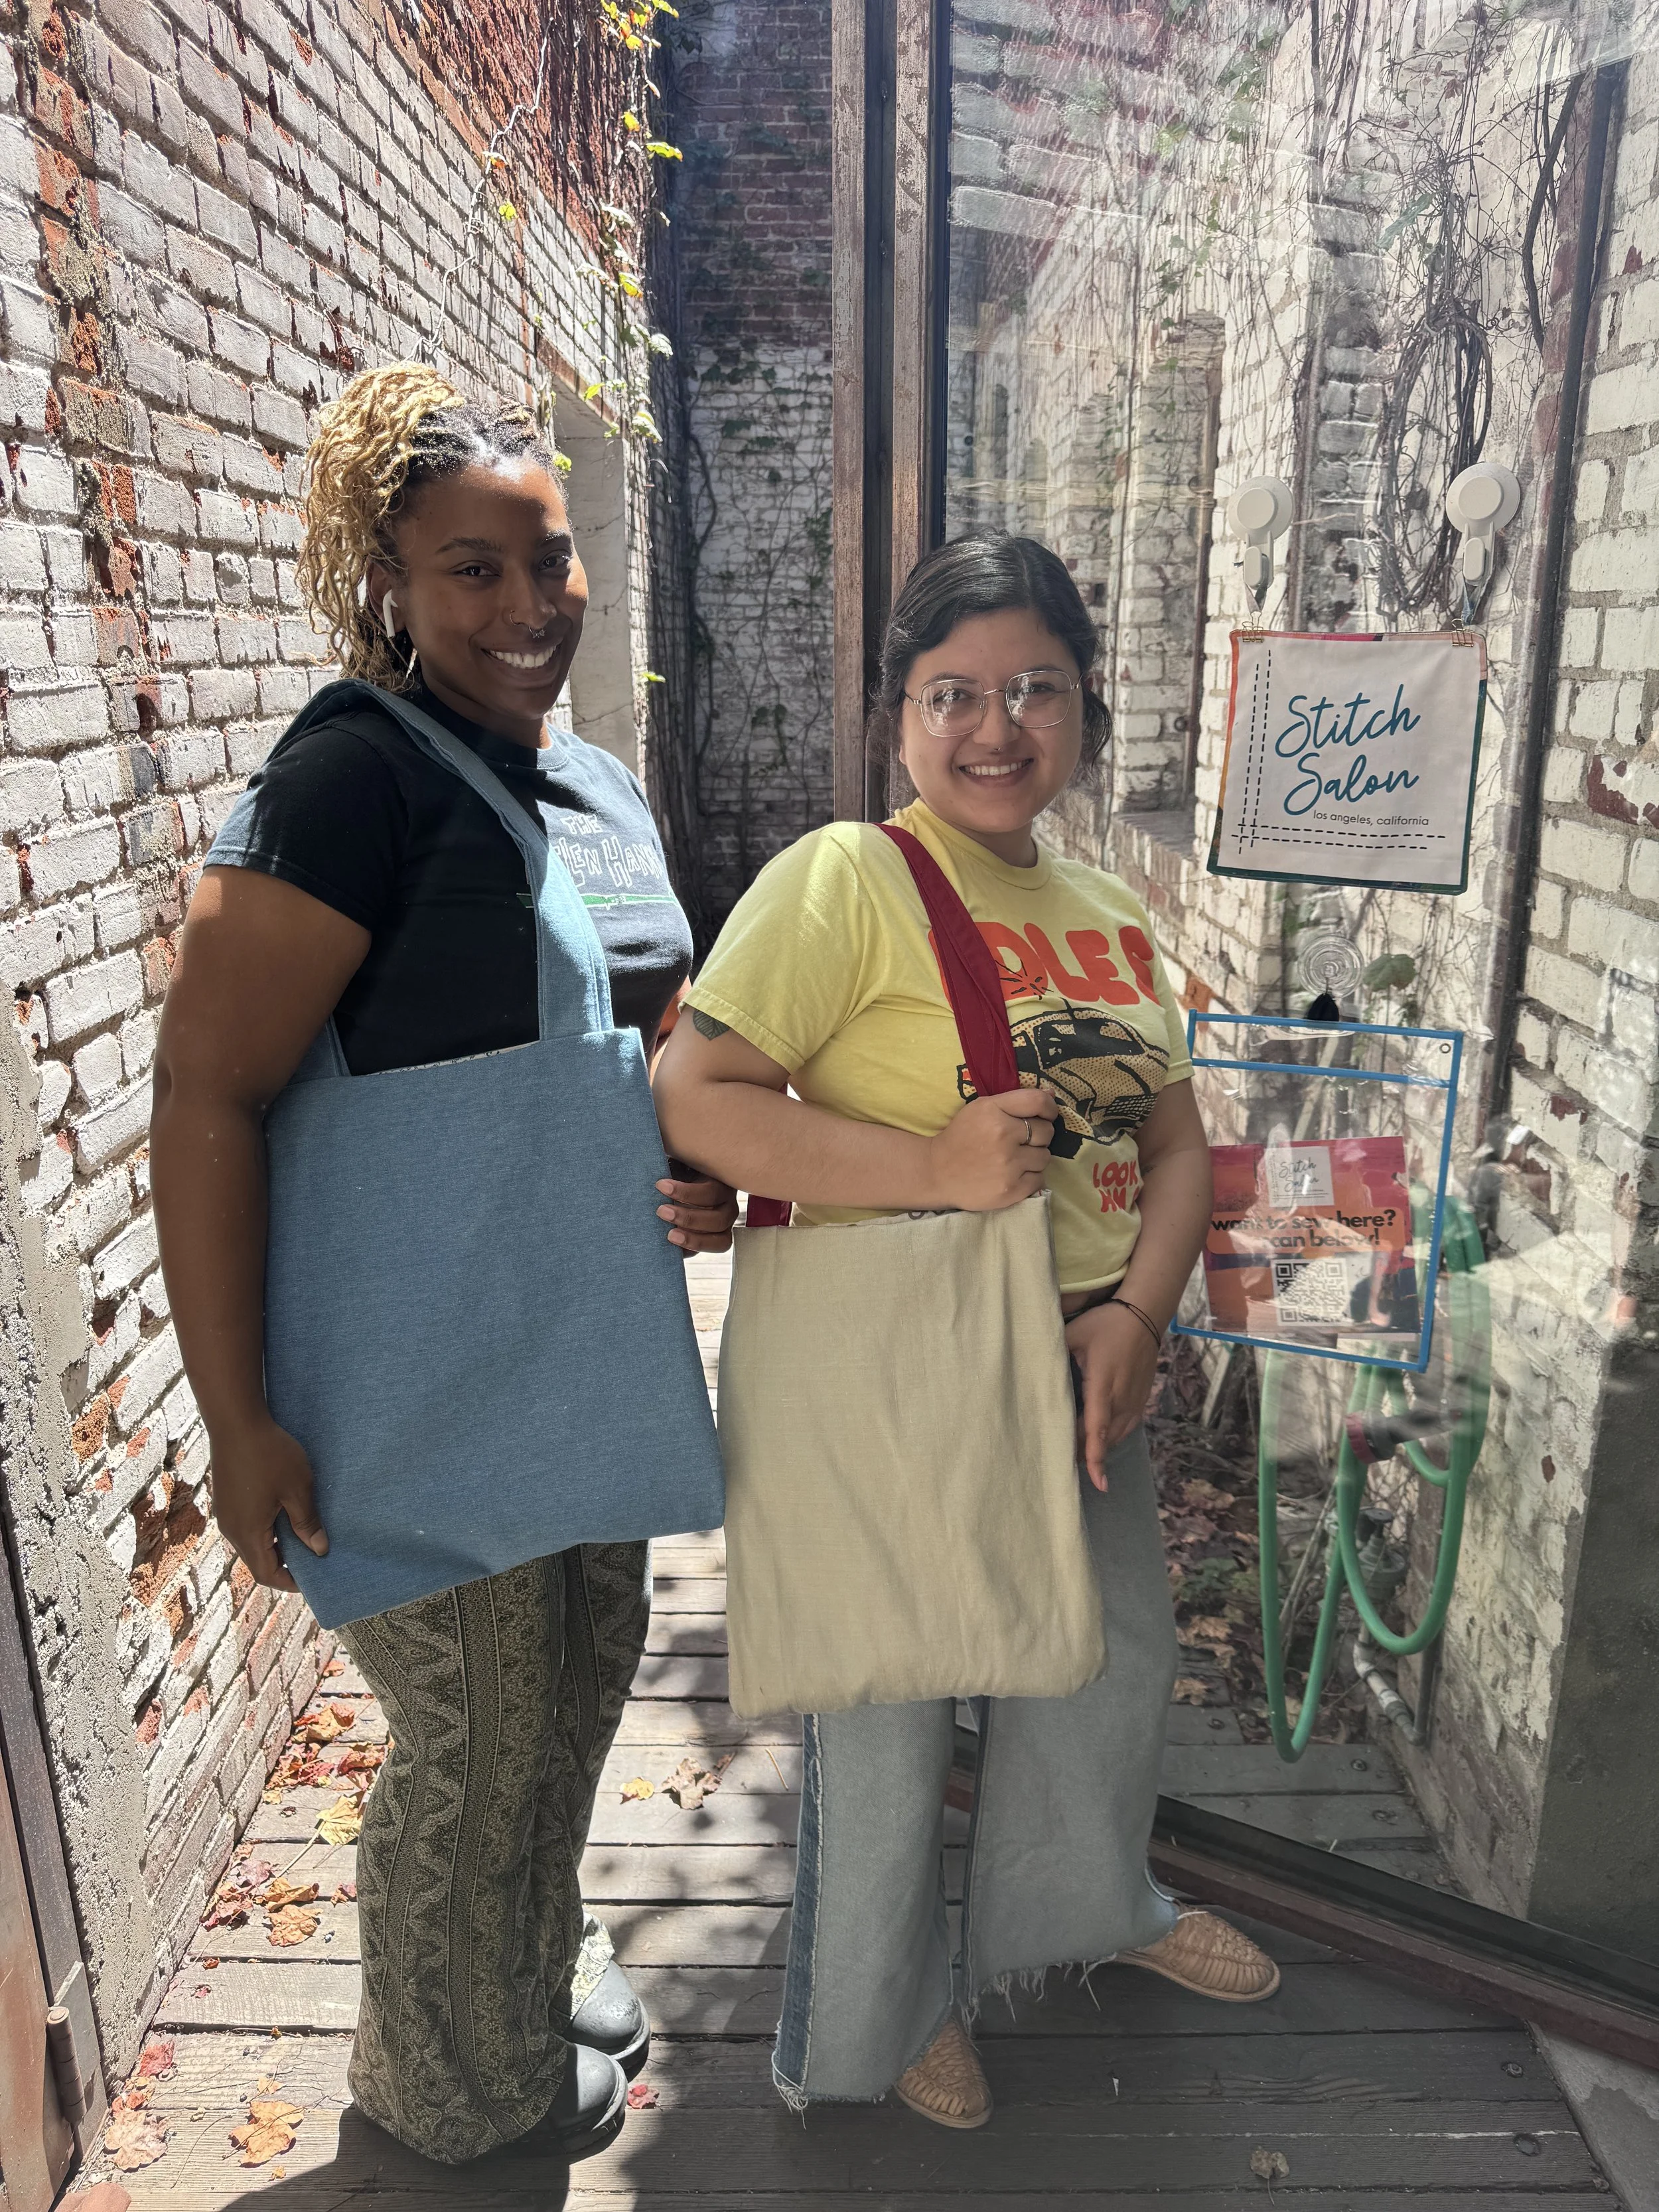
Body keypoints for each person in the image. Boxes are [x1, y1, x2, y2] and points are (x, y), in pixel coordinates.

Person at [151, 364, 736, 2165]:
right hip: (415, 1369)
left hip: (575, 1342)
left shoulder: (596, 794)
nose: (524, 606)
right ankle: (440, 2083)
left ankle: (520, 1960)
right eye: (469, 569)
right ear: (388, 576)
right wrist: (236, 1416)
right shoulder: (349, 781)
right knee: (473, 1738)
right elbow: (206, 1094)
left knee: (579, 1672)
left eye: (546, 562)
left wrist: (694, 1171)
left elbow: (654, 1057)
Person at [654, 532, 1279, 2129]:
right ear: (898, 715)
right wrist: (930, 1169)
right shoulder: (841, 881)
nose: (995, 728)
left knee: (1103, 1660)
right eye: (953, 694)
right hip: (906, 1355)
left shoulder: (1110, 908)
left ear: (1081, 707)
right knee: (887, 1712)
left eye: (1032, 690)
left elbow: (1178, 1134)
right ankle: (874, 2012)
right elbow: (698, 1094)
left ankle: (1086, 1915)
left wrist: (1141, 1308)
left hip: (1083, 1357)